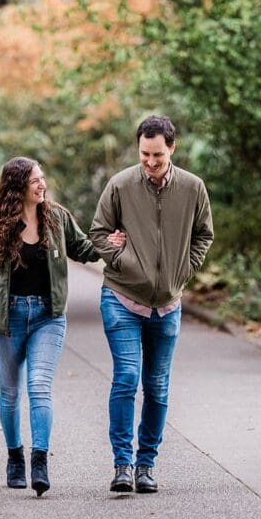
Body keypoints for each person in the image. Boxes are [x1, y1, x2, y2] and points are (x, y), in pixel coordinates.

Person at [89, 115, 214, 495]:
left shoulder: (193, 188)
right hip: (122, 297)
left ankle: (146, 465)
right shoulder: (121, 185)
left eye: (157, 155)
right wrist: (125, 260)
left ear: (172, 148)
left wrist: (183, 270)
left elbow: (203, 235)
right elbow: (97, 233)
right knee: (127, 378)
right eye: (144, 154)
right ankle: (122, 465)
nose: (150, 162)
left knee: (157, 387)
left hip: (168, 304)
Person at [0, 156, 100, 496]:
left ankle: (39, 461)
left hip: (48, 316)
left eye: (43, 178)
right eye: (35, 181)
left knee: (39, 387)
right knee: (10, 393)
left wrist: (112, 244)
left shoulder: (57, 219)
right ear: (18, 188)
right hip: (7, 320)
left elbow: (84, 249)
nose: (43, 185)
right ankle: (14, 456)